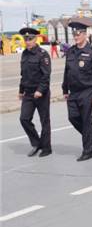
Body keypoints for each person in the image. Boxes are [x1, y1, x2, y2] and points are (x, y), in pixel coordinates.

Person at [62, 19, 92, 161]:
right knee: (72, 117)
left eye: (79, 34)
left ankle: (88, 150)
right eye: (74, 34)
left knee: (86, 120)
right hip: (74, 91)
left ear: (85, 35)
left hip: (87, 91)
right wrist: (64, 89)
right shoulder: (71, 51)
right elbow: (67, 72)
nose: (76, 37)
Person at [18, 27, 52, 157]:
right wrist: (21, 91)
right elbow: (23, 74)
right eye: (25, 39)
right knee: (24, 118)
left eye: (30, 39)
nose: (27, 41)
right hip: (28, 92)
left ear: (35, 38)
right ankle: (36, 143)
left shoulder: (42, 54)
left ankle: (46, 148)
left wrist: (40, 90)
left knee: (44, 121)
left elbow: (46, 75)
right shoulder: (24, 54)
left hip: (40, 93)